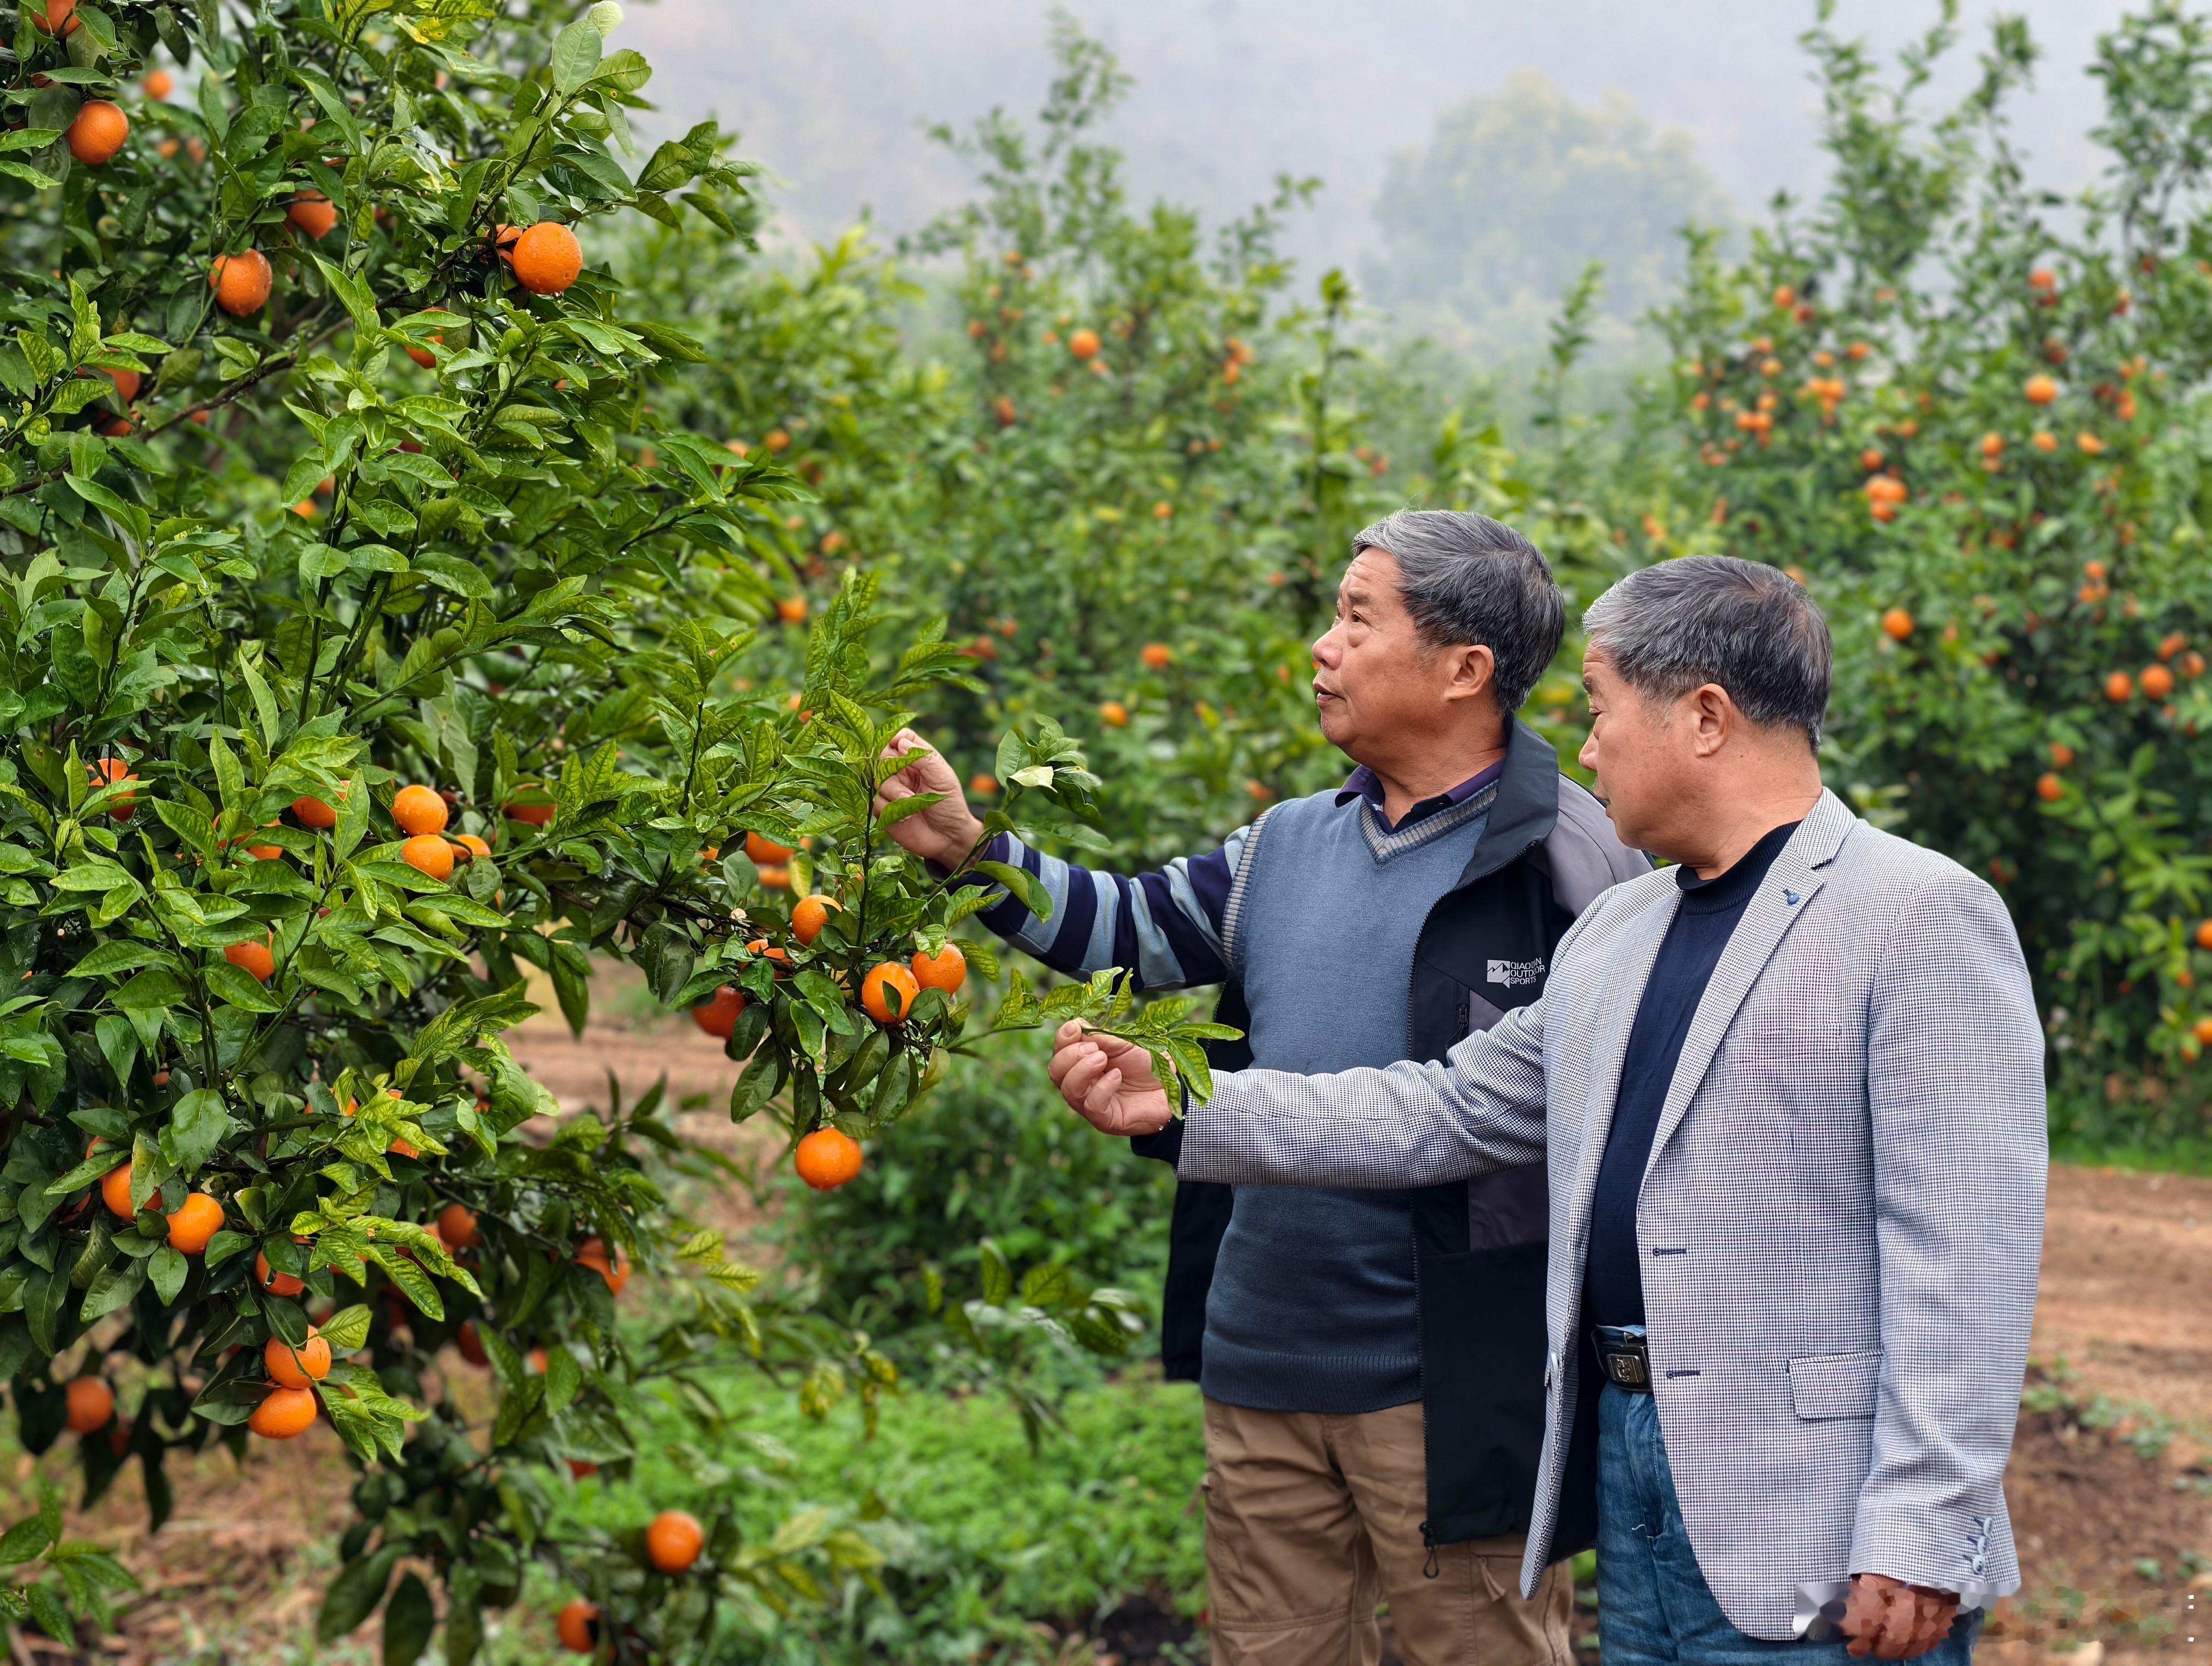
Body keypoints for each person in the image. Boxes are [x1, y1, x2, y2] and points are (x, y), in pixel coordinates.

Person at [1050, 555, 2047, 1665]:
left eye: (1603, 711)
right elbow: (1440, 1111)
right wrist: (1188, 1105)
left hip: (1804, 1499)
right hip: (1629, 1457)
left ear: (1704, 719)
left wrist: (1922, 1525)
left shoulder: (1915, 914)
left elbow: (1968, 1253)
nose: (1585, 748)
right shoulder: (1625, 933)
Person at [878, 510, 1647, 1666]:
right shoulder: (1285, 845)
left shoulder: (1571, 863)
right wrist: (967, 848)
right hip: (1265, 1370)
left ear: (1463, 670)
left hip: (1450, 1389)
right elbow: (1123, 928)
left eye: (1355, 618)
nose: (1322, 647)